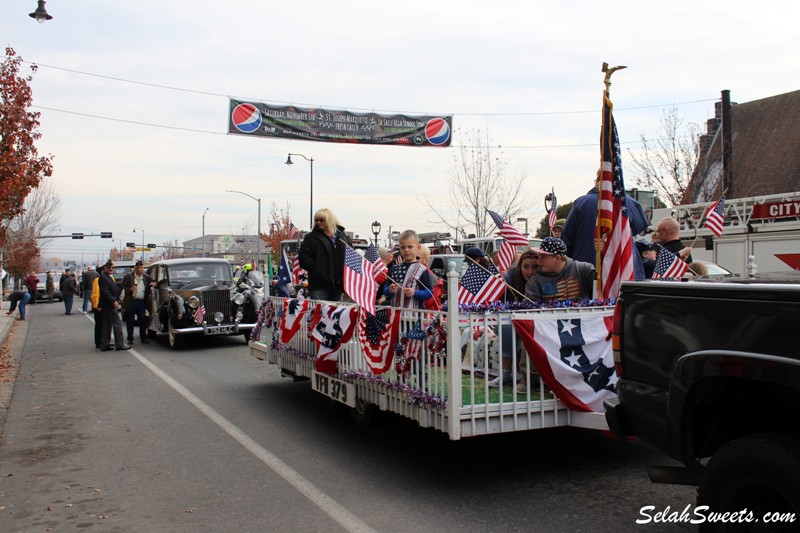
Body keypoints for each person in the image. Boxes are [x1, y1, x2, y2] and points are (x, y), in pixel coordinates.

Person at [561, 171, 649, 280]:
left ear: (597, 180)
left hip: (585, 268)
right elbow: (639, 226)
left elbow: (566, 239)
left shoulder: (582, 202)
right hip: (625, 267)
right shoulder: (630, 203)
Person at [489, 248, 541, 387]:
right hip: (514, 319)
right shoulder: (509, 279)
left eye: (535, 267)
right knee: (506, 327)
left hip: (540, 319)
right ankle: (506, 372)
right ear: (520, 266)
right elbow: (498, 301)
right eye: (526, 267)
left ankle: (536, 375)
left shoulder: (544, 277)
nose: (530, 271)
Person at [298, 208, 353, 301]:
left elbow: (351, 256)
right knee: (320, 313)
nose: (318, 222)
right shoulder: (311, 237)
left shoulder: (343, 237)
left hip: (339, 285)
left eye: (322, 220)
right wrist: (317, 269)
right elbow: (303, 258)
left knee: (337, 313)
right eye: (316, 220)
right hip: (319, 285)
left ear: (329, 221)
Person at [525, 237, 596, 302]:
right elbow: (529, 308)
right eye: (539, 256)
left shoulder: (582, 269)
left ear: (557, 258)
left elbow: (602, 287)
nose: (538, 261)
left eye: (543, 257)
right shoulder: (535, 280)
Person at [383, 230, 434, 309]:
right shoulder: (394, 269)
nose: (406, 250)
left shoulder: (423, 270)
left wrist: (415, 293)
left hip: (415, 316)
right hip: (396, 315)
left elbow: (429, 292)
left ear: (418, 248)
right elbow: (385, 290)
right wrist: (389, 290)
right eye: (403, 247)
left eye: (410, 246)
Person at [98, 260, 129, 351]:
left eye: (112, 267)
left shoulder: (108, 277)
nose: (111, 269)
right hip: (109, 304)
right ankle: (119, 344)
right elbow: (105, 291)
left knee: (107, 324)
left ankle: (105, 344)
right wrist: (113, 301)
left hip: (108, 304)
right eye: (109, 267)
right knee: (117, 323)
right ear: (105, 268)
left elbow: (113, 288)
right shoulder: (103, 277)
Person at [121, 260, 153, 344]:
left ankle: (143, 337)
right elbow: (122, 286)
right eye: (140, 268)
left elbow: (153, 282)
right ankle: (130, 338)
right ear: (136, 268)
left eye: (143, 268)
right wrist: (129, 289)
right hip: (131, 301)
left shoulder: (146, 277)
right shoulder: (129, 276)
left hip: (141, 301)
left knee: (143, 319)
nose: (142, 269)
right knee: (130, 320)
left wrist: (154, 284)